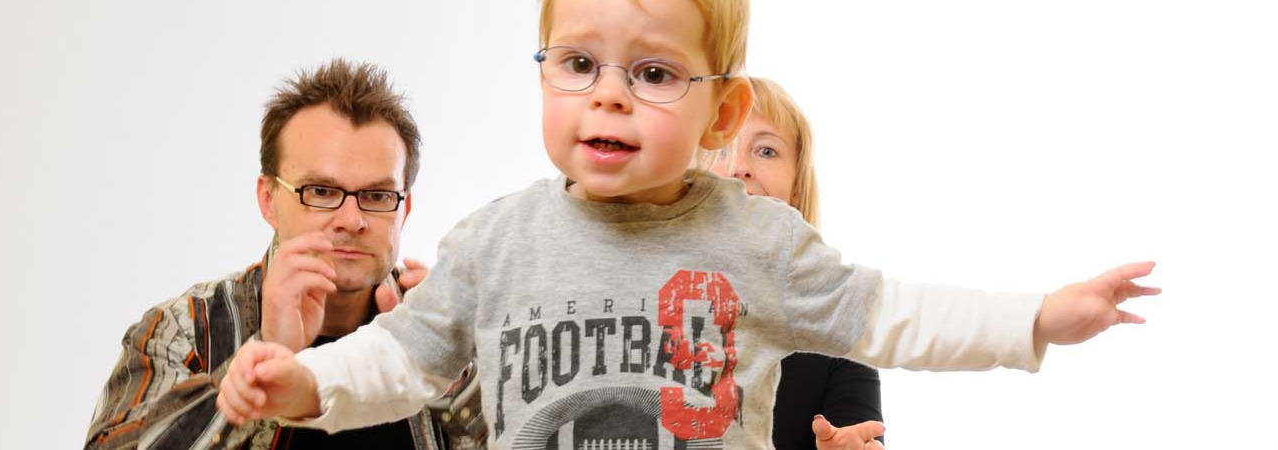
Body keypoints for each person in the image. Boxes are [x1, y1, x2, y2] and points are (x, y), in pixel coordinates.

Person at [214, 1, 1160, 449]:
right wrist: (304, 380)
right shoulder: (491, 242)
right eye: (578, 64)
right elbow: (400, 359)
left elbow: (893, 316)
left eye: (654, 74)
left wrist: (1035, 317)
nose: (610, 99)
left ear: (719, 112)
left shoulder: (758, 242)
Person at [84, 59, 485, 449]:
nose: (351, 218)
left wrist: (447, 369)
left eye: (377, 195)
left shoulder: (464, 337)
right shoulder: (185, 331)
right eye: (322, 192)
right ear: (268, 200)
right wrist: (263, 360)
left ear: (404, 210)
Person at [712, 77, 883, 449]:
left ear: (795, 187)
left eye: (767, 151)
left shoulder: (837, 327)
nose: (740, 167)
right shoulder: (632, 307)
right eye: (720, 148)